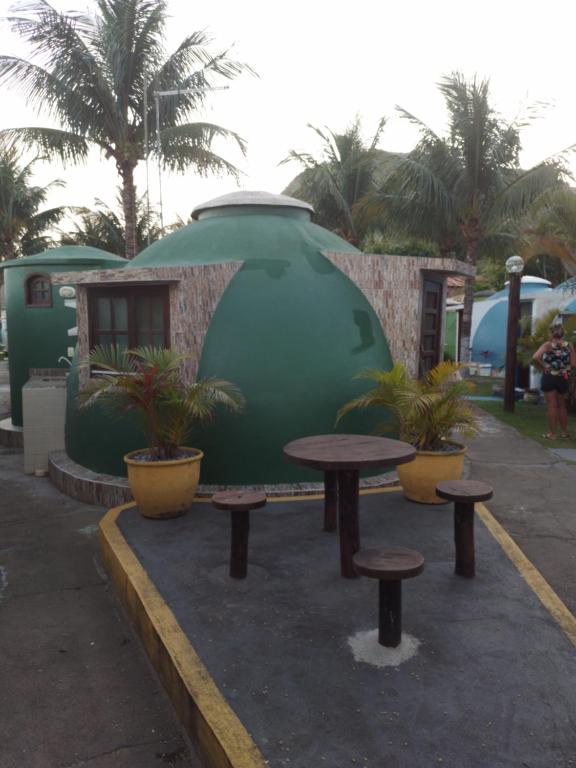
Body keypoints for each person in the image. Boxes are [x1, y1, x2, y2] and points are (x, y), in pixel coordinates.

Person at [532, 323, 576, 439]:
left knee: (552, 406)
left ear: (551, 333)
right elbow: (573, 364)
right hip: (563, 377)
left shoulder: (548, 345)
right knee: (562, 405)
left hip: (550, 377)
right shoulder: (569, 345)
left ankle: (552, 434)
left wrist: (543, 367)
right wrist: (564, 369)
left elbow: (535, 357)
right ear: (562, 333)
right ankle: (564, 432)